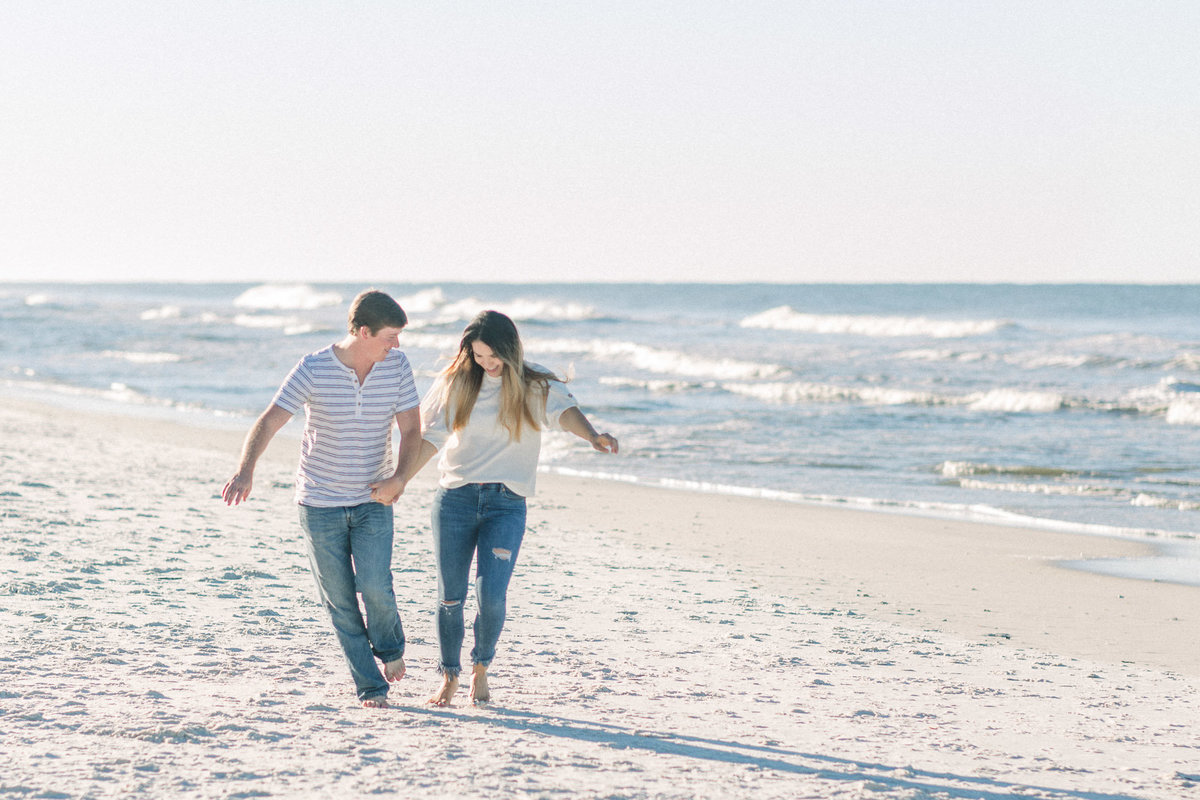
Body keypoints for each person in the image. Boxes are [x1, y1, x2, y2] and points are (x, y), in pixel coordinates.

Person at [221, 289, 422, 709]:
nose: (397, 345)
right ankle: (371, 686)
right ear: (363, 332)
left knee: (375, 586)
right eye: (390, 336)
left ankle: (389, 647)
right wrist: (246, 470)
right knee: (340, 601)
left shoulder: (397, 366)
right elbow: (271, 419)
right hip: (319, 502)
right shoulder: (313, 368)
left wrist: (400, 478)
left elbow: (412, 431)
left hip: (373, 500)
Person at [406, 310, 618, 706]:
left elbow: (563, 413)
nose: (487, 364)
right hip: (455, 500)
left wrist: (591, 435)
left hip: (507, 504)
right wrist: (400, 480)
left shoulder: (534, 383)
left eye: (493, 356)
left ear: (511, 349)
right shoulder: (457, 382)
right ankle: (449, 676)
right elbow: (430, 437)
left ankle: (480, 669)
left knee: (492, 596)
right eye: (479, 356)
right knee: (450, 596)